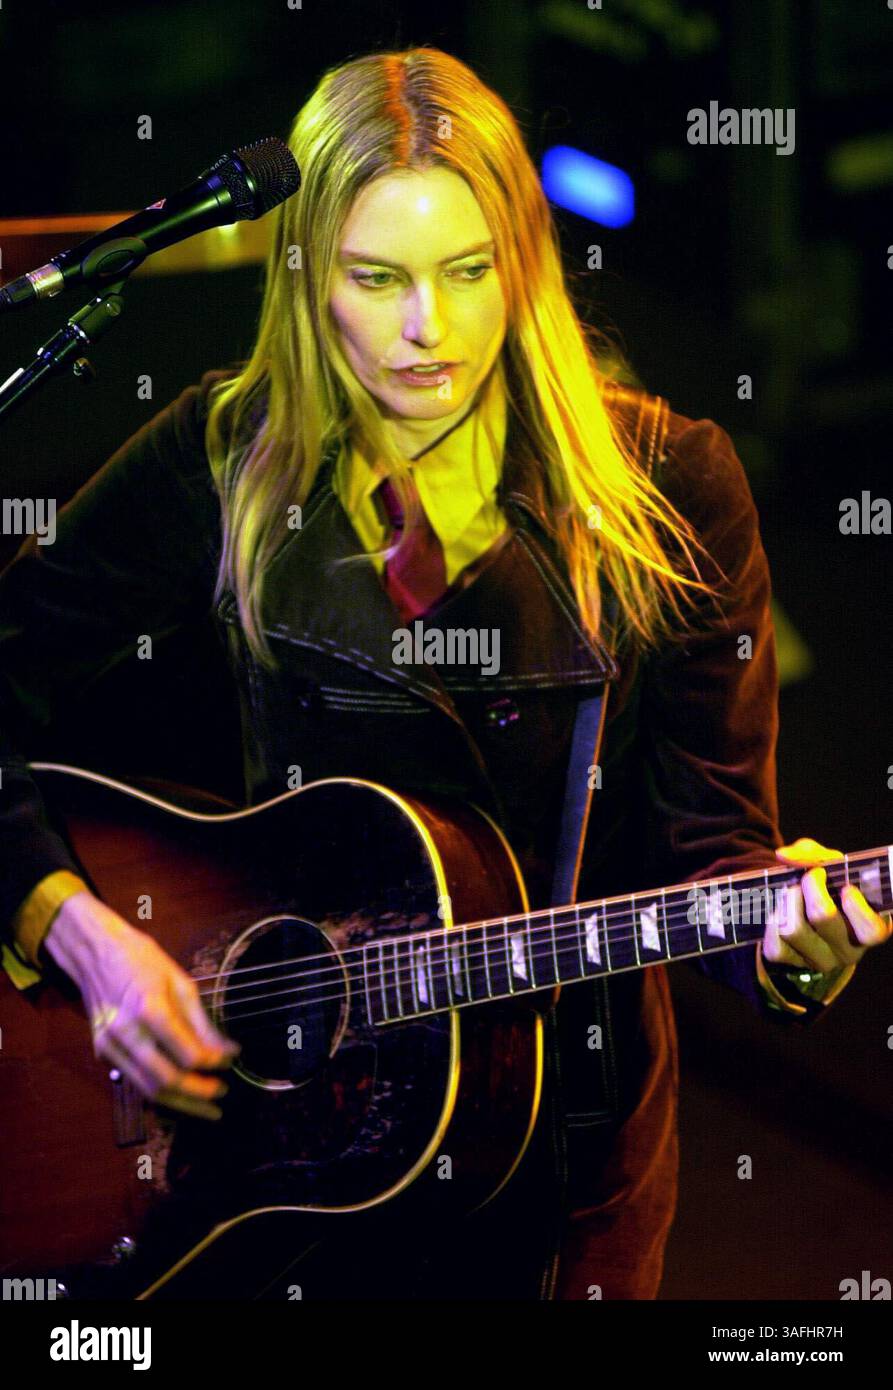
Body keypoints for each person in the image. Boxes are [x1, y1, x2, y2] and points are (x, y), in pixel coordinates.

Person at [1, 46, 889, 1301]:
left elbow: (715, 857)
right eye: (379, 278)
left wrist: (792, 944)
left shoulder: (668, 488)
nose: (433, 328)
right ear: (309, 276)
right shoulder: (223, 457)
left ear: (521, 263)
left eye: (469, 271)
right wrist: (82, 935)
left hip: (555, 1175)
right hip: (260, 1162)